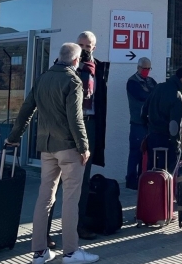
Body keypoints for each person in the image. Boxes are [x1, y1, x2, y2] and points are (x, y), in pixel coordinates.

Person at [6, 43, 99, 264]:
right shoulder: (73, 80)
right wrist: (84, 147)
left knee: (44, 198)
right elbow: (75, 119)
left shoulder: (41, 78)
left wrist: (14, 136)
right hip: (68, 147)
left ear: (59, 57)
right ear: (76, 61)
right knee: (70, 200)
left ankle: (39, 252)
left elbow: (26, 110)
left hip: (46, 147)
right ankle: (71, 252)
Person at [46, 31, 109, 244]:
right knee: (56, 182)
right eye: (80, 44)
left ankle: (77, 226)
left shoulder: (98, 68)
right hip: (64, 129)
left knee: (81, 181)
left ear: (94, 47)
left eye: (87, 45)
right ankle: (44, 232)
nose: (83, 49)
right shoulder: (63, 65)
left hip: (88, 126)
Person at [142, 66, 182, 173]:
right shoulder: (177, 97)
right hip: (167, 140)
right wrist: (176, 145)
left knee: (151, 173)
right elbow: (174, 126)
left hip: (152, 137)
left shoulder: (157, 88)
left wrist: (148, 130)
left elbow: (143, 112)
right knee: (166, 175)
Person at [125, 57, 157, 190]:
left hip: (149, 124)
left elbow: (156, 94)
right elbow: (144, 96)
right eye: (144, 68)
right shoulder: (132, 82)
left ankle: (142, 178)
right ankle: (131, 180)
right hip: (137, 122)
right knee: (135, 153)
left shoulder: (151, 81)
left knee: (146, 154)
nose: (146, 71)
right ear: (138, 68)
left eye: (148, 68)